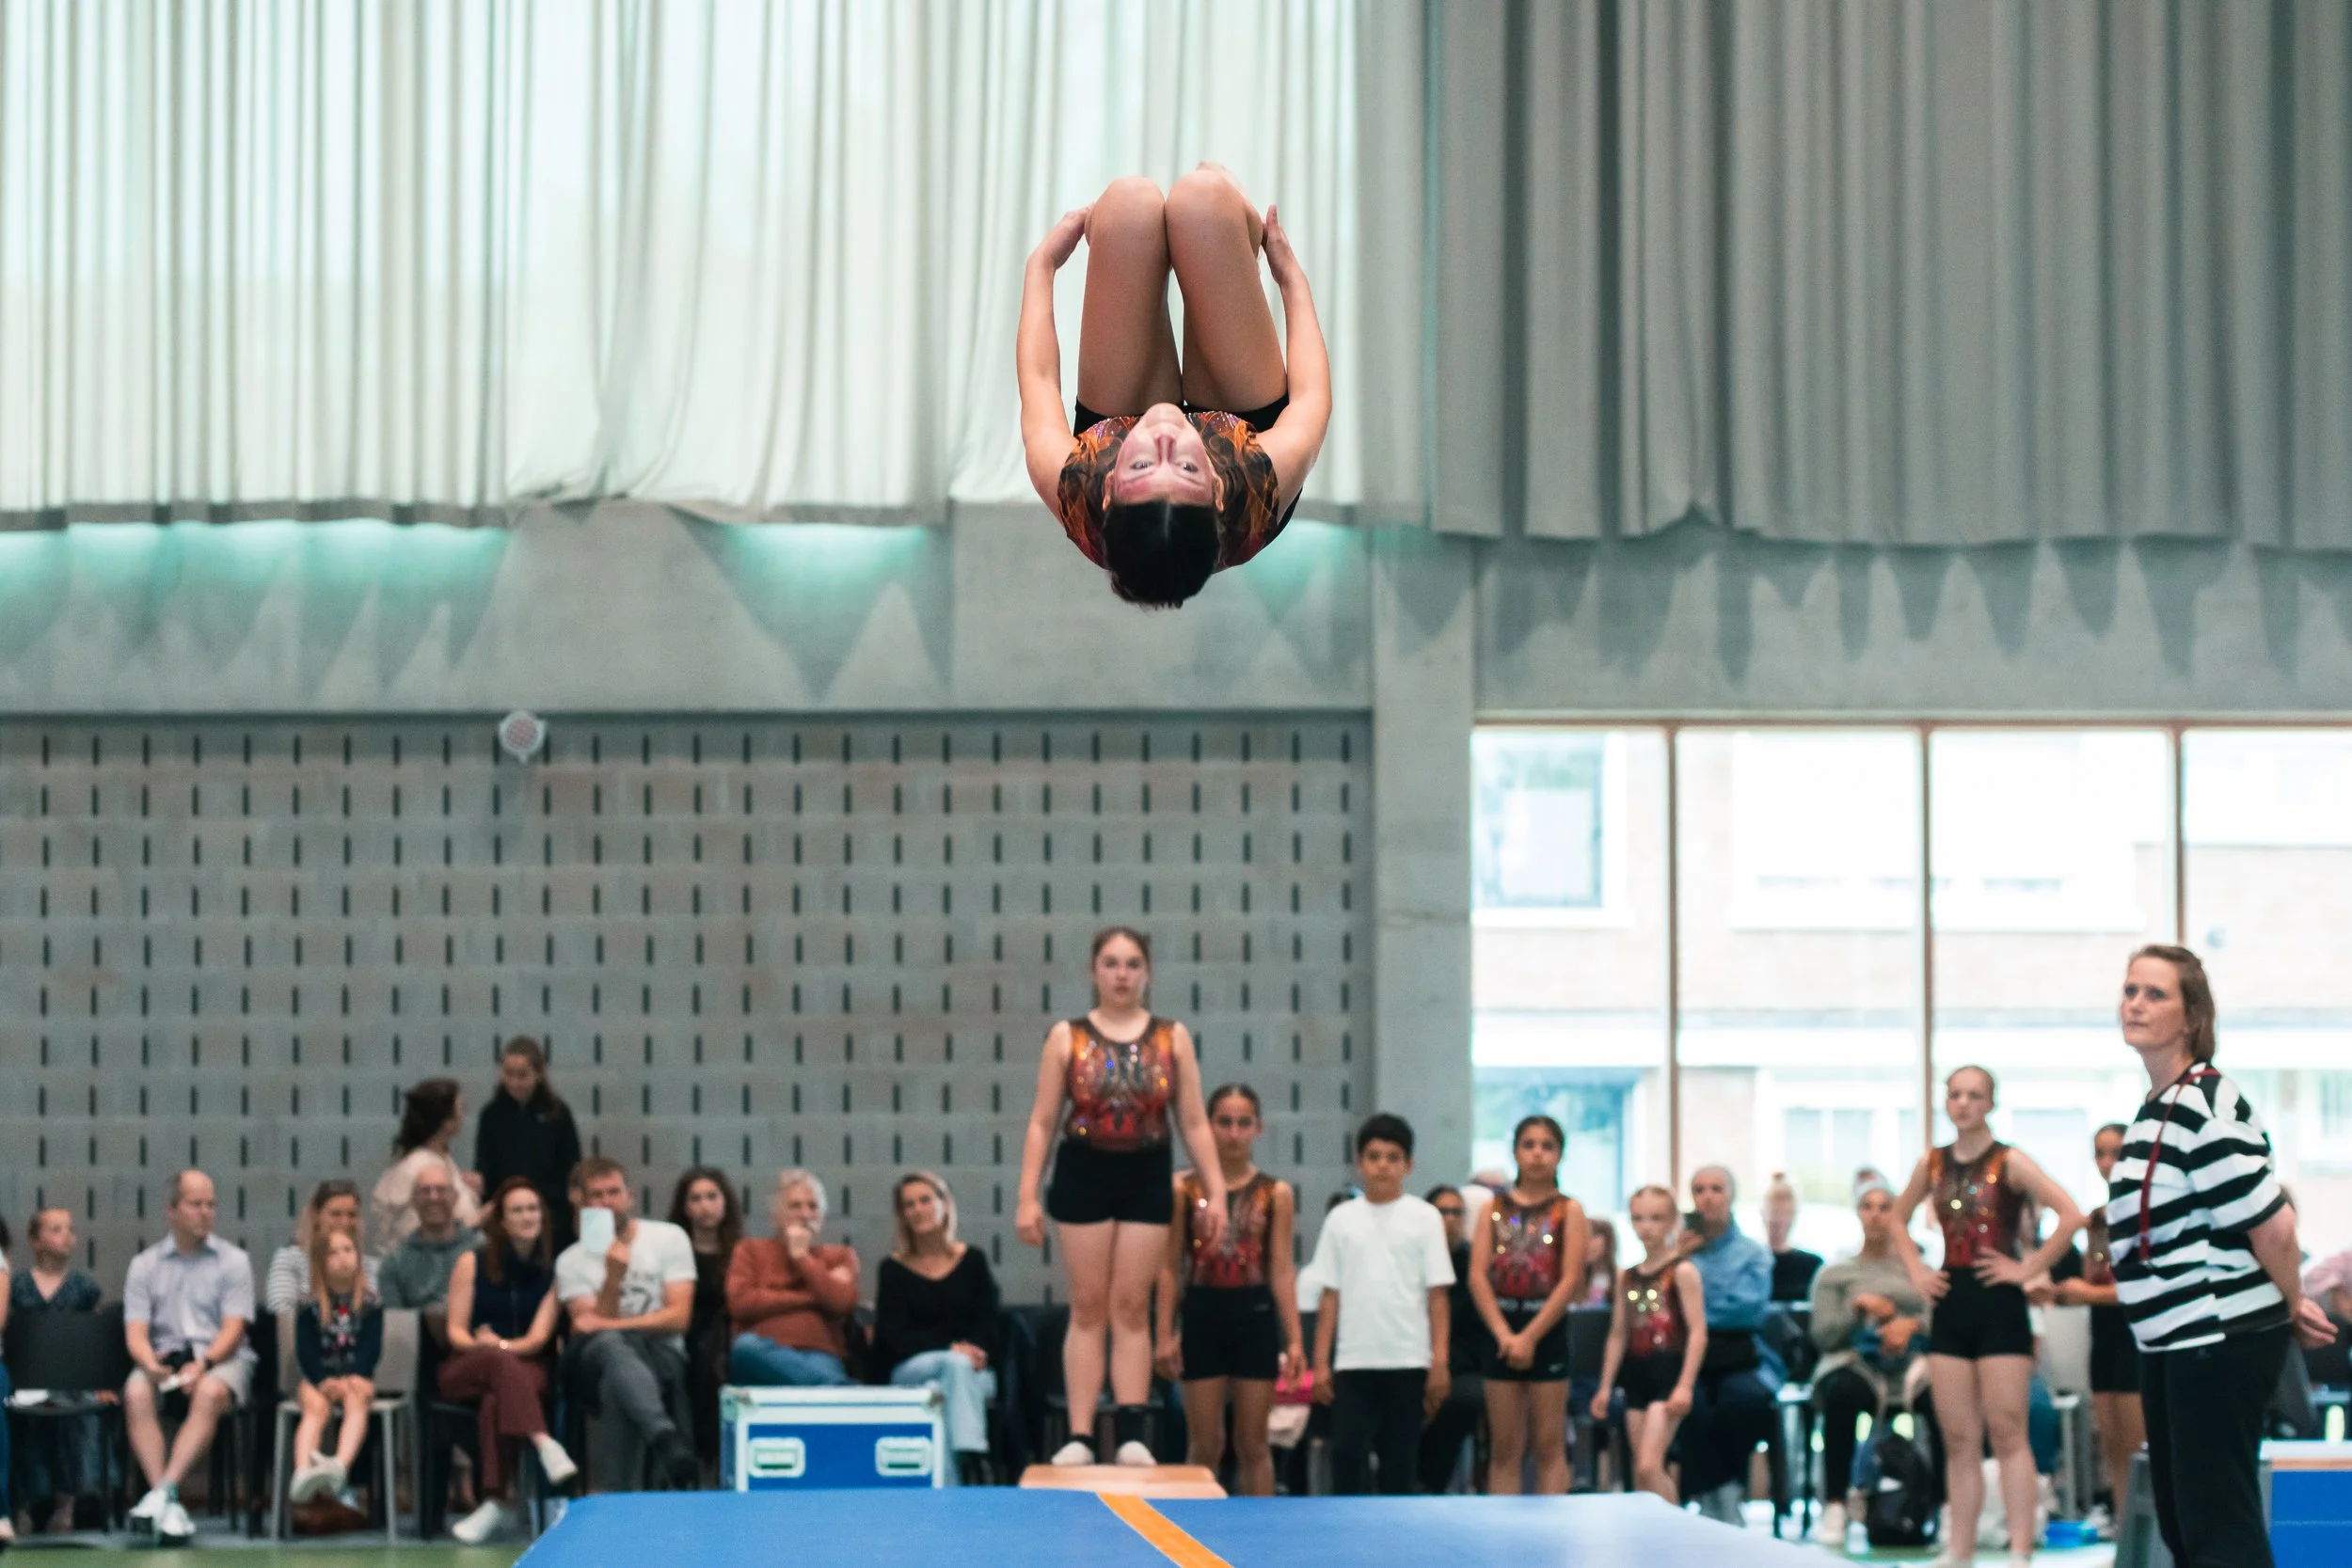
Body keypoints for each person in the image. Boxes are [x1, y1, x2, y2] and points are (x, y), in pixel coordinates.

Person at [2106, 944, 2339, 1568]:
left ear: (2192, 1015)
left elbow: (2276, 1225)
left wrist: (2290, 1303)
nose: (2136, 1003)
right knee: (2186, 1525)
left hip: (2216, 1335)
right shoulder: (2158, 1106)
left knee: (2217, 1526)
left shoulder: (2204, 1101)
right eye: (2130, 990)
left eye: (2156, 993)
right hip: (2172, 1341)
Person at [1017, 166, 1330, 609]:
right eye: (1185, 469)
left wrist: (1041, 266)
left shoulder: (1076, 485)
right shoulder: (1257, 481)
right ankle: (1229, 230)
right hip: (1240, 428)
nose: (1165, 437)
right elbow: (1312, 399)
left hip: (1115, 423)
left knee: (1128, 207)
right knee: (1203, 201)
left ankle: (1172, 235)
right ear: (1218, 492)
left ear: (1107, 491)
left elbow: (1039, 380)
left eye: (1142, 468)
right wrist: (1288, 276)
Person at [1016, 926, 1225, 1465]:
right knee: (1088, 1305)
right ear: (1093, 971)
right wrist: (1026, 1196)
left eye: (1132, 964)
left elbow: (1196, 1121)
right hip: (1084, 1169)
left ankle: (1132, 1428)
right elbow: (1042, 1121)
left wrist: (1216, 1193)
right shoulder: (1067, 1036)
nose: (1121, 975)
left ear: (1147, 972)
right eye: (1111, 963)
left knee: (1131, 1305)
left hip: (1147, 1168)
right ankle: (1081, 1435)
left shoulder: (1172, 1037)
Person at [1888, 1066, 2085, 1568]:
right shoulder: (1932, 1163)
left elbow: (2070, 1213)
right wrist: (1915, 1270)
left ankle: (2020, 1549)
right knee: (1958, 1437)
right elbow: (1896, 1216)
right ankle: (1961, 1550)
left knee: (2008, 1430)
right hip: (1952, 1299)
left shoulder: (2010, 1161)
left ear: (1990, 1103)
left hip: (1999, 1303)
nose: (1963, 1103)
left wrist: (2028, 1269)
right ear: (1946, 1102)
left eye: (1974, 1095)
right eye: (1955, 1094)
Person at [1152, 1085, 1303, 1497]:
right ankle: (1192, 1537)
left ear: (1258, 1128)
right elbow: (1169, 1267)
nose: (1233, 1133)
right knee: (1205, 1442)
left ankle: (1261, 1540)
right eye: (1224, 1122)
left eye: (1243, 1123)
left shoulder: (1276, 1193)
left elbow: (1281, 1270)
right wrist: (1164, 1334)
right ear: (1208, 1126)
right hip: (1202, 1315)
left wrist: (1294, 1340)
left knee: (1253, 1444)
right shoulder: (1183, 1189)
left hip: (1254, 1317)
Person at [1307, 1114, 1453, 1497]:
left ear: (1409, 1165)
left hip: (1407, 1359)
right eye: (1374, 1156)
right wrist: (1321, 1363)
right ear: (1360, 1162)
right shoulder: (1341, 1219)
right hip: (1354, 1361)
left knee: (1399, 1464)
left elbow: (1437, 1297)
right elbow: (1330, 1296)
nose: (1383, 1165)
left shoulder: (1425, 1218)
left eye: (1392, 1156)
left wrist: (1440, 1362)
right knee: (1348, 1458)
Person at [440, 1178, 577, 1543]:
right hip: (468, 1363)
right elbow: (455, 1331)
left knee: (496, 1399)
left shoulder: (556, 1271)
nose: (527, 1216)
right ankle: (543, 1442)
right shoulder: (472, 1262)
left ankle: (496, 1502)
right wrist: (485, 1348)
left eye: (533, 1208)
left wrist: (499, 1345)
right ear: (501, 1221)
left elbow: (536, 1340)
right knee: (499, 1368)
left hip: (526, 1364)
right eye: (517, 1210)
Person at [121, 1170, 256, 1543]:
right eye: (196, 1204)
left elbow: (234, 1329)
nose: (205, 1212)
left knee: (210, 1392)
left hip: (221, 1361)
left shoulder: (234, 1261)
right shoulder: (144, 1265)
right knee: (135, 1392)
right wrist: (150, 1364)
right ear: (172, 1210)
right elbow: (135, 1333)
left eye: (211, 1204)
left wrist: (205, 1364)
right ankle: (165, 1500)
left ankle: (162, 1493)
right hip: (164, 1362)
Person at [2025, 1121, 2141, 1533]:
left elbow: (2145, 1286)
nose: (2108, 1162)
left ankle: (2153, 1531)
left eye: (2117, 1152)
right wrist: (2052, 1293)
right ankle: (2125, 1525)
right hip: (2105, 1337)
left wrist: (2085, 1295)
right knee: (2110, 1440)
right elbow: (2091, 1283)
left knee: (2138, 1443)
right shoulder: (2098, 1220)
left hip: (2138, 1336)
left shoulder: (2146, 1211)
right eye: (2100, 1153)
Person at [555, 1158, 698, 1490]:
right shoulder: (571, 1260)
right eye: (597, 1195)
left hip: (661, 1354)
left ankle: (613, 1497)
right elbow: (588, 1331)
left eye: (614, 1192)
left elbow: (679, 1318)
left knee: (616, 1380)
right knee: (608, 1347)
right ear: (582, 1201)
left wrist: (618, 1325)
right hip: (592, 1361)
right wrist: (613, 1278)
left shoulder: (668, 1238)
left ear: (629, 1196)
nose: (607, 1202)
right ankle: (664, 1436)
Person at [1465, 1115, 1589, 1496]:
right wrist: (1505, 1334)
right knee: (1504, 1448)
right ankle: (1504, 1541)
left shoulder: (1569, 1210)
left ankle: (1553, 1533)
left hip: (1546, 1331)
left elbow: (1569, 1280)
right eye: (1529, 1145)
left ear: (1560, 1155)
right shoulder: (1493, 1209)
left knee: (1549, 1446)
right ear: (1516, 1151)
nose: (1537, 1154)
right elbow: (1477, 1276)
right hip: (1501, 1331)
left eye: (1547, 1146)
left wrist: (1530, 1337)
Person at [1807, 1178, 1931, 1545]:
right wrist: (1856, 1307)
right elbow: (1823, 1336)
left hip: (1913, 1368)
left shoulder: (1918, 1272)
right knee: (1842, 1393)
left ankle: (1944, 1504)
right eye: (1868, 1207)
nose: (1876, 1216)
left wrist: (1911, 1325)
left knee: (1946, 1399)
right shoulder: (1835, 1274)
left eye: (1885, 1207)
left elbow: (1943, 1321)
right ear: (1857, 1214)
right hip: (1856, 1363)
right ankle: (1835, 1505)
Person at [873, 1172, 1002, 1483]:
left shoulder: (972, 1260)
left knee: (938, 1394)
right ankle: (975, 1455)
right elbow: (894, 1338)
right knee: (953, 1364)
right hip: (910, 1368)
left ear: (944, 1204)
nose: (918, 1209)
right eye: (909, 1204)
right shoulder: (893, 1269)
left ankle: (949, 1485)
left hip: (972, 1372)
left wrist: (972, 1350)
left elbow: (990, 1322)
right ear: (902, 1215)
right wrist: (950, 1348)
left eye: (925, 1200)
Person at [1673, 1165, 1779, 1525]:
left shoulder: (1754, 1254)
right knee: (1691, 1405)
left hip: (1740, 1355)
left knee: (1744, 1402)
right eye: (1699, 1189)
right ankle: (1709, 1495)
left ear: (1731, 1195)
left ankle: (1728, 1490)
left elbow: (1747, 1309)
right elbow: (1664, 1305)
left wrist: (1696, 1308)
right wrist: (1677, 1261)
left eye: (1716, 1188)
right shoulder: (1679, 1254)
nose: (1708, 1197)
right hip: (1690, 1358)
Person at [1592, 1185, 1708, 1503]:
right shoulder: (1626, 1277)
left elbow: (1698, 1332)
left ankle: (1677, 1534)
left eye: (1656, 1218)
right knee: (1642, 1476)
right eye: (1639, 1218)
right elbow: (1618, 1334)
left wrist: (1685, 1385)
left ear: (1672, 1222)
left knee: (1648, 1466)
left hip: (1668, 1376)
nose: (1647, 1227)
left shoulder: (1682, 1272)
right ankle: (1655, 1540)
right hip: (1637, 1376)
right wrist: (1604, 1386)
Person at [10, 1209, 105, 1536]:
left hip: (72, 1379)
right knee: (21, 1416)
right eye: (55, 1229)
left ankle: (69, 1501)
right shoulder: (16, 1285)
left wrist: (101, 1382)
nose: (67, 1236)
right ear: (35, 1240)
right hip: (25, 1380)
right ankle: (23, 1502)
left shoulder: (83, 1287)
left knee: (79, 1410)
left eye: (70, 1229)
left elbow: (94, 1339)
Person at [726, 1170, 860, 1387]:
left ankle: (831, 1387)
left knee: (817, 1372)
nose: (805, 1214)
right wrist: (811, 1295)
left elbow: (840, 1302)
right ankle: (839, 1390)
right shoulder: (749, 1249)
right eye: (795, 1206)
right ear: (775, 1215)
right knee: (745, 1347)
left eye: (813, 1206)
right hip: (760, 1355)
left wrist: (802, 1257)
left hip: (819, 1354)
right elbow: (741, 1304)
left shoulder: (841, 1255)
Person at [285, 1228, 383, 1505]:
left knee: (359, 1399)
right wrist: (323, 1380)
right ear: (320, 1262)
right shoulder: (309, 1303)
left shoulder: (371, 1303)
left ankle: (340, 1465)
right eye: (333, 1252)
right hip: (318, 1378)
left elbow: (371, 1348)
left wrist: (357, 1375)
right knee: (314, 1409)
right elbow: (306, 1349)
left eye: (348, 1250)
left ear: (358, 1257)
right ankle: (303, 1471)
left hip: (355, 1378)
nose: (342, 1258)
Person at [1414, 1185, 1489, 1494]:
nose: (1449, 1219)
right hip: (1411, 1359)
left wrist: (1442, 1368)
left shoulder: (1475, 1264)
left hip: (1462, 1366)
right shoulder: (1410, 1258)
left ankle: (1428, 1483)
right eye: (1441, 1212)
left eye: (1456, 1212)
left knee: (1464, 1399)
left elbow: (1478, 1332)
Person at [474, 1038, 584, 1248]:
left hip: (552, 1215)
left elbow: (572, 1165)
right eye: (508, 1074)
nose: (514, 1082)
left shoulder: (557, 1113)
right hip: (506, 1213)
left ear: (539, 1074)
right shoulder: (491, 1114)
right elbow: (484, 1165)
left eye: (522, 1075)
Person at [666, 1166, 741, 1465]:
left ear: (725, 1203)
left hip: (727, 1338)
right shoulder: (670, 1253)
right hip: (684, 1335)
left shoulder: (741, 1253)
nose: (704, 1206)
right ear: (685, 1207)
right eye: (695, 1199)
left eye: (711, 1197)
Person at [368, 1077, 484, 1258]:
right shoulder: (416, 1168)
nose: (463, 1116)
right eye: (461, 1110)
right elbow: (420, 1231)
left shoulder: (442, 1160)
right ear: (446, 1121)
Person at [378, 1162, 482, 1343]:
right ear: (413, 1200)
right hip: (419, 1350)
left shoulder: (482, 1248)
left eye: (441, 1190)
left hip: (479, 1343)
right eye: (425, 1191)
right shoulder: (395, 1261)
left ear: (455, 1196)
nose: (433, 1197)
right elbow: (396, 1326)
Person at [265, 1180, 382, 1314]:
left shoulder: (372, 1266)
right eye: (335, 1214)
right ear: (316, 1215)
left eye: (352, 1215)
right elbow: (281, 1310)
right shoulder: (290, 1259)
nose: (345, 1222)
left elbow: (380, 1314)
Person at [1763, 1173, 1823, 1304]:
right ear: (1763, 1213)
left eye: (1784, 1213)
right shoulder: (1753, 1262)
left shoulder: (1812, 1264)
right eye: (1773, 1211)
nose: (1778, 1219)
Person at [1580, 1216, 1619, 1307]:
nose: (1585, 1242)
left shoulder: (1619, 1277)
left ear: (1608, 1240)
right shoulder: (1576, 1277)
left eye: (1591, 1236)